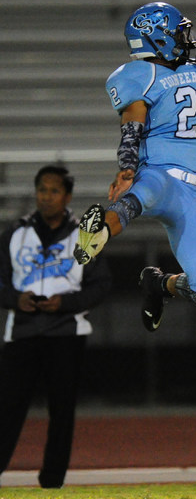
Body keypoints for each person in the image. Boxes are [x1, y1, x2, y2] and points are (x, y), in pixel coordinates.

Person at [73, 0, 196, 333]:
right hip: (159, 174)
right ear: (157, 37)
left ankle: (158, 284)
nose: (186, 39)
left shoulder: (195, 72)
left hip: (194, 195)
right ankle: (94, 238)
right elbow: (132, 124)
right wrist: (126, 168)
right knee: (143, 195)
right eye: (178, 33)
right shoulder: (139, 75)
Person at [0, 165, 112, 489]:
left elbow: (101, 285)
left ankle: (52, 481)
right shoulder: (14, 235)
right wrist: (14, 299)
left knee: (61, 411)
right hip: (22, 332)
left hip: (66, 334)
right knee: (7, 407)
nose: (46, 197)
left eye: (53, 191)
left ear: (67, 196)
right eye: (41, 190)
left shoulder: (84, 235)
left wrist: (64, 304)